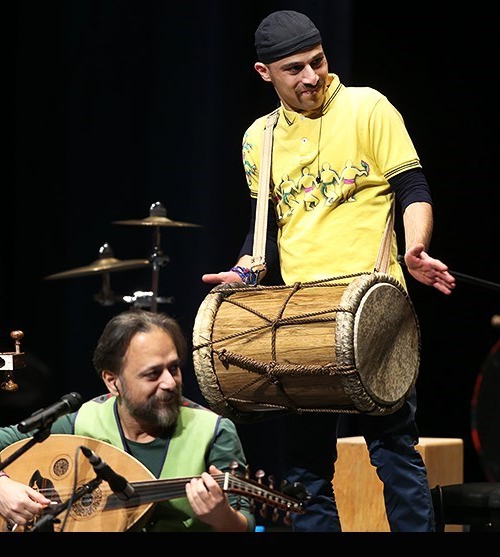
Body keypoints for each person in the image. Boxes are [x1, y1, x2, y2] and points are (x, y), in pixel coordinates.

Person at [202, 10, 456, 532]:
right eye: (294, 69)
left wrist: (416, 248)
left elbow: (412, 188)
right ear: (263, 73)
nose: (311, 77)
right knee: (306, 470)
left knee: (395, 453)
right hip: (301, 319)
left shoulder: (368, 107)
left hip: (374, 310)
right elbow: (264, 229)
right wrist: (244, 274)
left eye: (317, 62)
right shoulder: (259, 137)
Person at [0, 309, 255, 532]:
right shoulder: (83, 421)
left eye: (174, 368)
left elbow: (245, 523)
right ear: (112, 382)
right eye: (153, 374)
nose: (169, 383)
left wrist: (221, 516)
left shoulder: (213, 431)